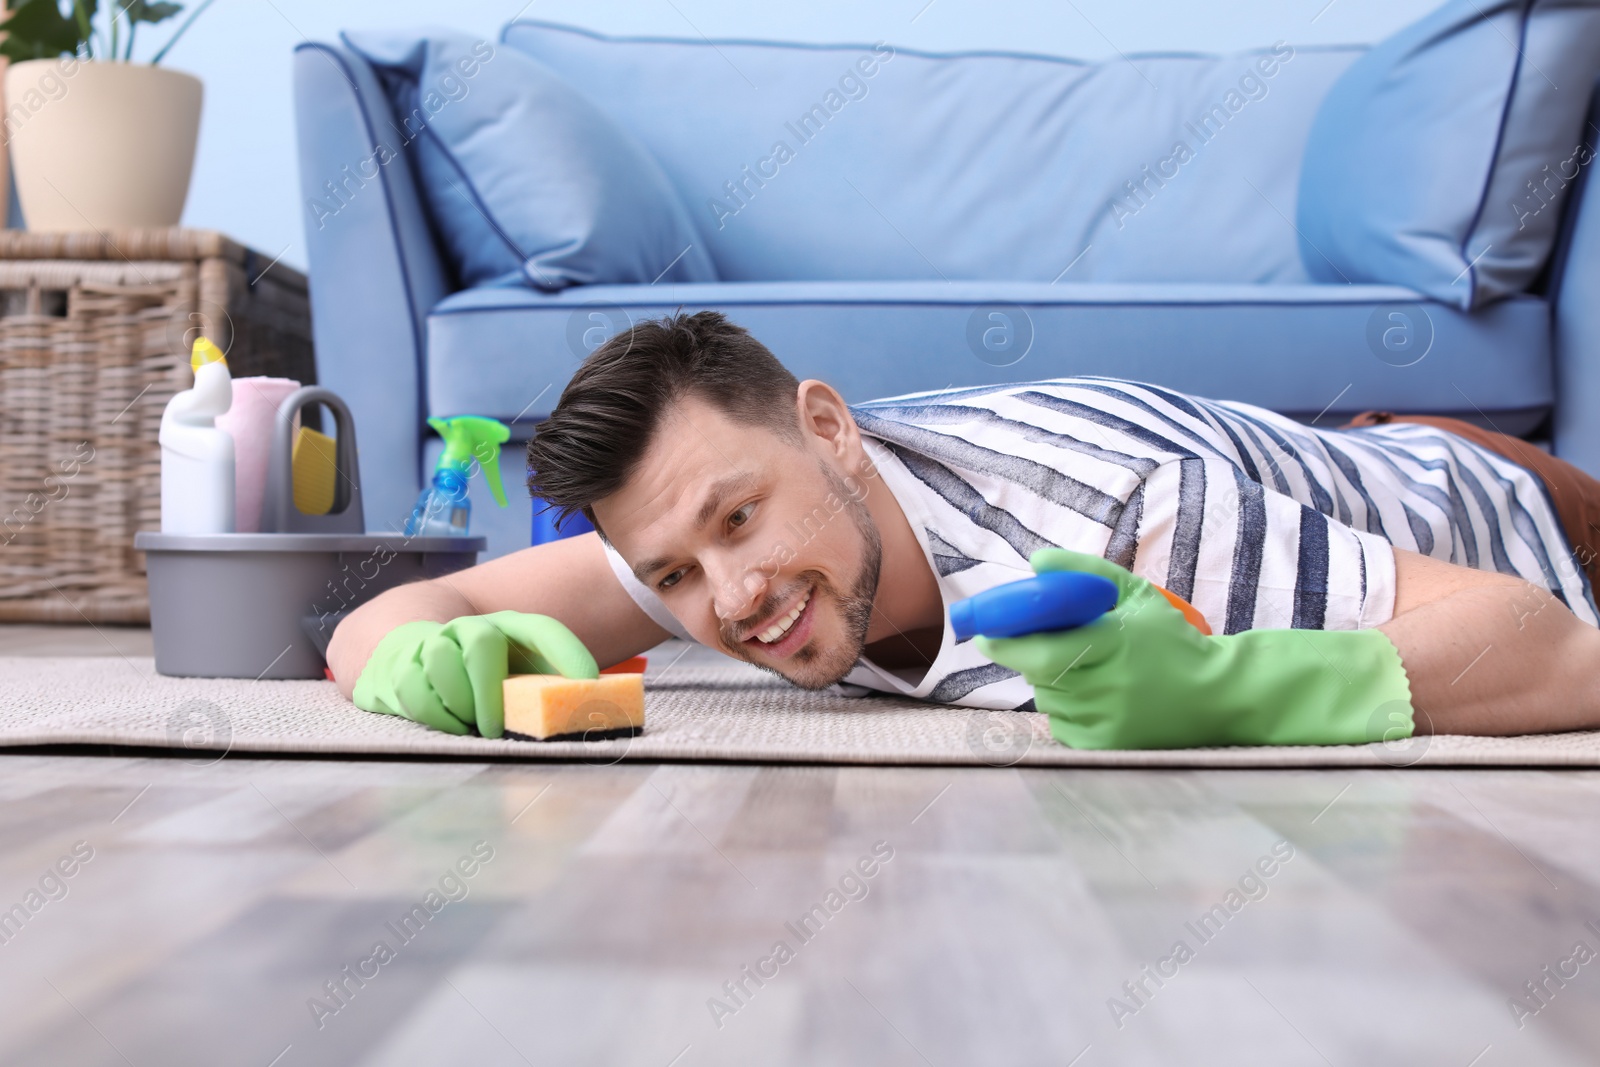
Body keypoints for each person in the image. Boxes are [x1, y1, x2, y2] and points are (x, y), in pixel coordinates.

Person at [328, 311, 1600, 749]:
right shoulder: (693, 542)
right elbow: (400, 616)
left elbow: (1554, 652)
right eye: (674, 568)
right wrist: (411, 663)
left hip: (1513, 505)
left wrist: (1236, 687)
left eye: (739, 518)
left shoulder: (1123, 515)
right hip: (1326, 462)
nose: (730, 596)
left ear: (827, 427)